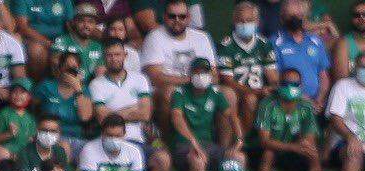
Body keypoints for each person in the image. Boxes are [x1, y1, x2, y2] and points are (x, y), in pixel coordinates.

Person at [89, 37, 172, 171]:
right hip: (111, 142)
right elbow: (102, 119)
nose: (114, 59)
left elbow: (145, 114)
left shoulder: (140, 79)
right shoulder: (96, 84)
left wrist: (113, 112)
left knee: (163, 160)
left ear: (125, 56)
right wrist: (132, 110)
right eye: (110, 55)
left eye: (117, 54)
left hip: (138, 140)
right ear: (104, 57)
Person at [254, 67, 326, 171]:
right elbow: (264, 140)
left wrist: (303, 144)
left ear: (300, 86)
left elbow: (310, 138)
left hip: (296, 151)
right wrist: (292, 146)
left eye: (294, 84)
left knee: (313, 153)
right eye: (286, 84)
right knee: (268, 153)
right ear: (279, 84)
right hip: (273, 149)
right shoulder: (268, 104)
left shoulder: (305, 106)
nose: (290, 88)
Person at [171, 57, 237, 171]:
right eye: (197, 72)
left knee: (238, 157)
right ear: (191, 74)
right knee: (198, 160)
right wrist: (192, 141)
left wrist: (240, 138)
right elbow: (177, 118)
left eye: (204, 72)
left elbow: (230, 115)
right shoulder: (180, 92)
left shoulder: (214, 93)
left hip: (209, 146)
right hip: (184, 146)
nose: (201, 75)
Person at [141, 0, 216, 129]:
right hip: (169, 90)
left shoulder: (202, 37)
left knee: (229, 94)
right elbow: (155, 77)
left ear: (189, 18)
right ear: (164, 17)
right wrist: (192, 80)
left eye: (182, 16)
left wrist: (198, 82)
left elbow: (214, 74)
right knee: (170, 93)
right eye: (172, 16)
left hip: (201, 87)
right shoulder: (154, 37)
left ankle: (226, 147)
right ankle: (168, 143)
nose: (177, 20)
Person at [218, 1, 277, 133]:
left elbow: (272, 74)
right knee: (250, 100)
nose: (245, 24)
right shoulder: (226, 45)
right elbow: (227, 80)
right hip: (237, 92)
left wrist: (274, 87)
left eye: (249, 20)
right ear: (234, 21)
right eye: (241, 21)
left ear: (257, 21)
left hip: (260, 91)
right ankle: (243, 140)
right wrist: (255, 92)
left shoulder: (264, 44)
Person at [29, 55, 89, 171]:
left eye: (74, 69)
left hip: (77, 137)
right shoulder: (46, 86)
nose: (71, 73)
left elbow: (85, 116)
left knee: (90, 152)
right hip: (51, 135)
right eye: (68, 69)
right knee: (63, 147)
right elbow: (31, 108)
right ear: (60, 69)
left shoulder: (84, 90)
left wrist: (78, 89)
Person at [272, 0, 332, 110]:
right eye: (291, 16)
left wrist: (319, 100)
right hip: (288, 103)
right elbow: (276, 80)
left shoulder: (316, 41)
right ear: (282, 17)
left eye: (299, 16)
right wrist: (306, 101)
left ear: (305, 17)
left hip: (317, 104)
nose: (295, 19)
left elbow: (324, 76)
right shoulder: (275, 43)